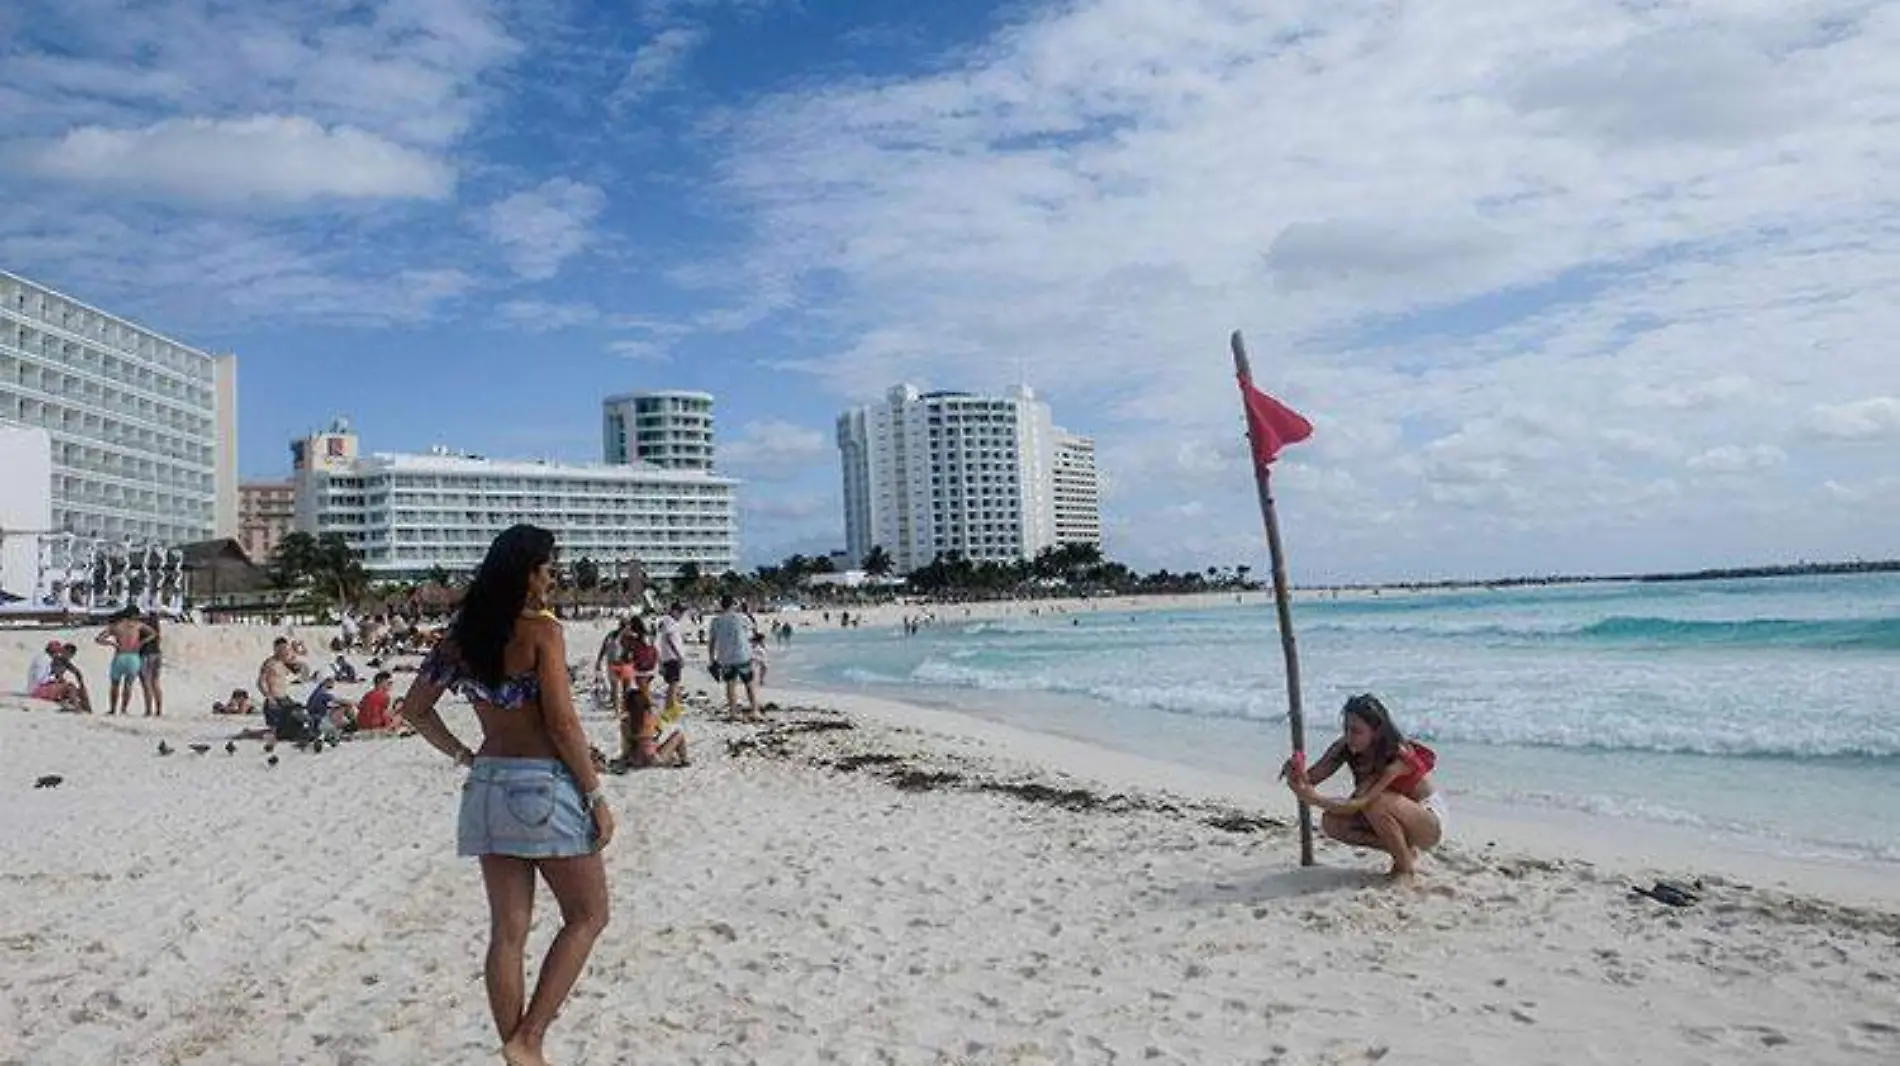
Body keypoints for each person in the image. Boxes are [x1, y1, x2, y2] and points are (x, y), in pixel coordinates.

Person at [396, 524, 612, 1066]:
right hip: (542, 786)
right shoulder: (542, 630)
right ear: (528, 572)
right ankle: (529, 1038)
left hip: (488, 785)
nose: (553, 577)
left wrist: (465, 754)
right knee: (588, 915)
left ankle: (520, 1052)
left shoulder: (462, 633)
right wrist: (595, 794)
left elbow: (415, 709)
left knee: (508, 934)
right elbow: (562, 724)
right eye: (548, 567)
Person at [1283, 694, 1444, 879]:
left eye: (1356, 731)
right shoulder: (1345, 746)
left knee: (1376, 803)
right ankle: (1404, 851)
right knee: (1332, 823)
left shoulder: (1396, 757)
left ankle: (1404, 869)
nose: (1349, 736)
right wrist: (1296, 772)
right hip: (1390, 814)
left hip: (1427, 819)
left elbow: (1362, 802)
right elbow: (1312, 778)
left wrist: (1315, 799)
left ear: (1375, 732)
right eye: (1346, 729)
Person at [95, 608, 156, 716]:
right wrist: (141, 642)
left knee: (115, 684)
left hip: (120, 655)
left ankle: (113, 709)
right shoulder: (138, 625)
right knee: (128, 685)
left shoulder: (116, 626)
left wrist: (112, 644)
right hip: (133, 656)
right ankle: (123, 709)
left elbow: (99, 639)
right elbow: (153, 633)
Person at [707, 595, 759, 719]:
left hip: (725, 657)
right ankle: (755, 710)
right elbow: (753, 630)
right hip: (742, 656)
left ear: (722, 605)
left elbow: (712, 641)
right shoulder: (741, 618)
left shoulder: (716, 621)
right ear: (732, 605)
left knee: (730, 684)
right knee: (749, 683)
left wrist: (712, 659)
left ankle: (733, 712)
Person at [27, 641, 91, 713]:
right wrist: (56, 679)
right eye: (58, 651)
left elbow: (76, 672)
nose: (59, 654)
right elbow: (40, 679)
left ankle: (87, 710)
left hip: (40, 688)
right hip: (37, 690)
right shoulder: (44, 660)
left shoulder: (48, 659)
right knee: (70, 687)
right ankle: (78, 709)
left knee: (77, 689)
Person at [258, 637, 302, 737]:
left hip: (284, 698)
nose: (285, 651)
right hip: (274, 699)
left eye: (286, 649)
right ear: (276, 649)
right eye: (282, 649)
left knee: (289, 727)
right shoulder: (269, 663)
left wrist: (295, 653)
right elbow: (261, 681)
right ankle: (248, 734)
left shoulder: (284, 663)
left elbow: (298, 670)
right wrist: (269, 697)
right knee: (274, 732)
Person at [654, 601, 688, 712]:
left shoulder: (668, 621)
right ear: (674, 611)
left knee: (673, 684)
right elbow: (669, 639)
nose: (681, 615)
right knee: (673, 684)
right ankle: (670, 708)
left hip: (668, 656)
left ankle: (671, 707)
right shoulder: (669, 621)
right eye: (680, 612)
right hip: (672, 657)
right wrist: (678, 656)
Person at [137, 612, 165, 717]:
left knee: (146, 684)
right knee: (156, 682)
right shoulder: (156, 624)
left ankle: (148, 710)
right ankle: (158, 710)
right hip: (157, 653)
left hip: (145, 654)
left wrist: (140, 644)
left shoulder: (141, 624)